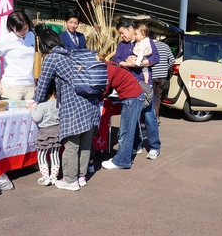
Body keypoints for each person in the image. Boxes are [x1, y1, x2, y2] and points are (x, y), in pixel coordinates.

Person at [33, 29, 100, 191]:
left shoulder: (52, 57)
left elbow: (43, 84)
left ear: (44, 44)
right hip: (91, 103)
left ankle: (70, 180)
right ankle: (81, 177)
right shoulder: (72, 54)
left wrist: (36, 101)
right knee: (85, 144)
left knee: (71, 145)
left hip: (73, 106)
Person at [112, 18, 161, 160]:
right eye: (120, 34)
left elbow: (156, 58)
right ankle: (136, 145)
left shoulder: (145, 40)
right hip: (128, 86)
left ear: (131, 28)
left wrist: (141, 62)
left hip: (145, 85)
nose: (122, 36)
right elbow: (116, 60)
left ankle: (154, 147)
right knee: (131, 118)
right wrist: (128, 64)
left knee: (148, 117)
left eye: (122, 32)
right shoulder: (122, 45)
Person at [101, 63, 145, 170]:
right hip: (135, 96)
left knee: (126, 130)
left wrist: (96, 97)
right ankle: (134, 148)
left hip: (131, 98)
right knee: (131, 127)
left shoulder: (107, 69)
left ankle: (122, 161)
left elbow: (105, 89)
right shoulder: (111, 66)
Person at [0, 11, 35, 100]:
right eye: (19, 29)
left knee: (32, 113)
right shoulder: (4, 40)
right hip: (12, 86)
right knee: (13, 113)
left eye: (25, 28)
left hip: (30, 85)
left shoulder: (31, 36)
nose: (23, 32)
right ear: (11, 27)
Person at [29, 79, 61, 186]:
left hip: (45, 133)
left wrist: (32, 109)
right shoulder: (59, 103)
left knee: (42, 154)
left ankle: (45, 177)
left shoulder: (42, 106)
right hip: (57, 131)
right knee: (55, 154)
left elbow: (36, 118)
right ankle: (54, 177)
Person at [150, 33, 175, 122]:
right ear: (157, 37)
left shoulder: (148, 45)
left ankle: (149, 117)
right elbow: (172, 60)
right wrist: (165, 68)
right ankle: (156, 116)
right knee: (158, 96)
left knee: (149, 96)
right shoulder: (165, 46)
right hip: (162, 76)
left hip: (151, 75)